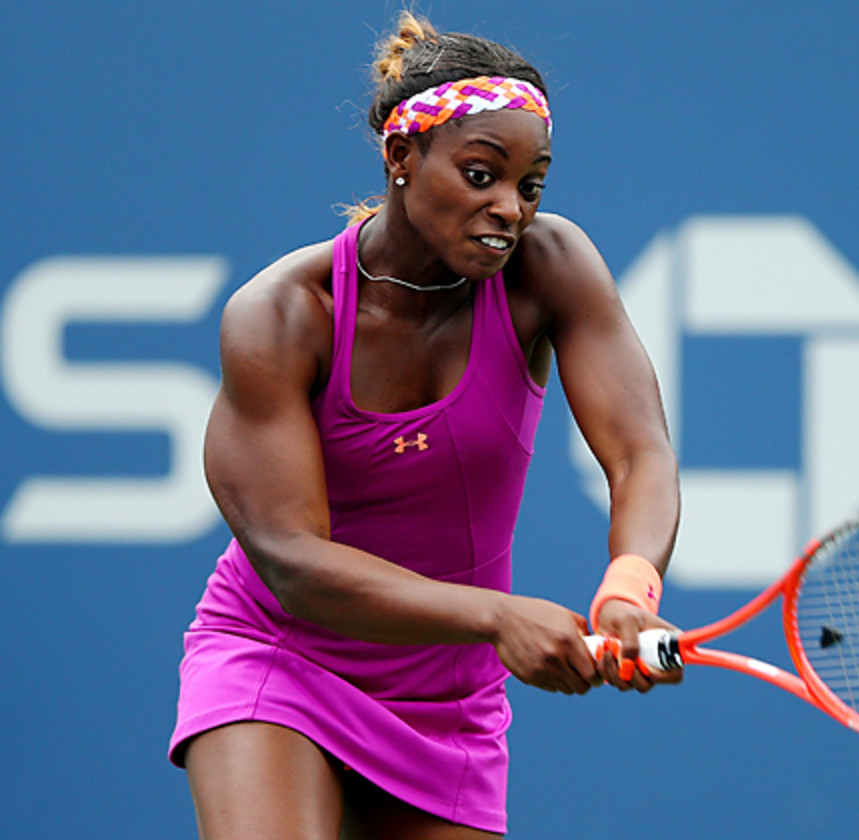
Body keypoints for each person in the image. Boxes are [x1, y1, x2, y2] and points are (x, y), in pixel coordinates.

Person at [168, 11, 681, 840]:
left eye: (531, 185)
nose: (510, 207)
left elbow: (640, 452)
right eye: (481, 175)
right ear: (401, 158)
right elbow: (293, 561)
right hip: (281, 658)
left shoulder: (549, 269)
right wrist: (494, 616)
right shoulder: (282, 316)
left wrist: (631, 582)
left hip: (449, 697)